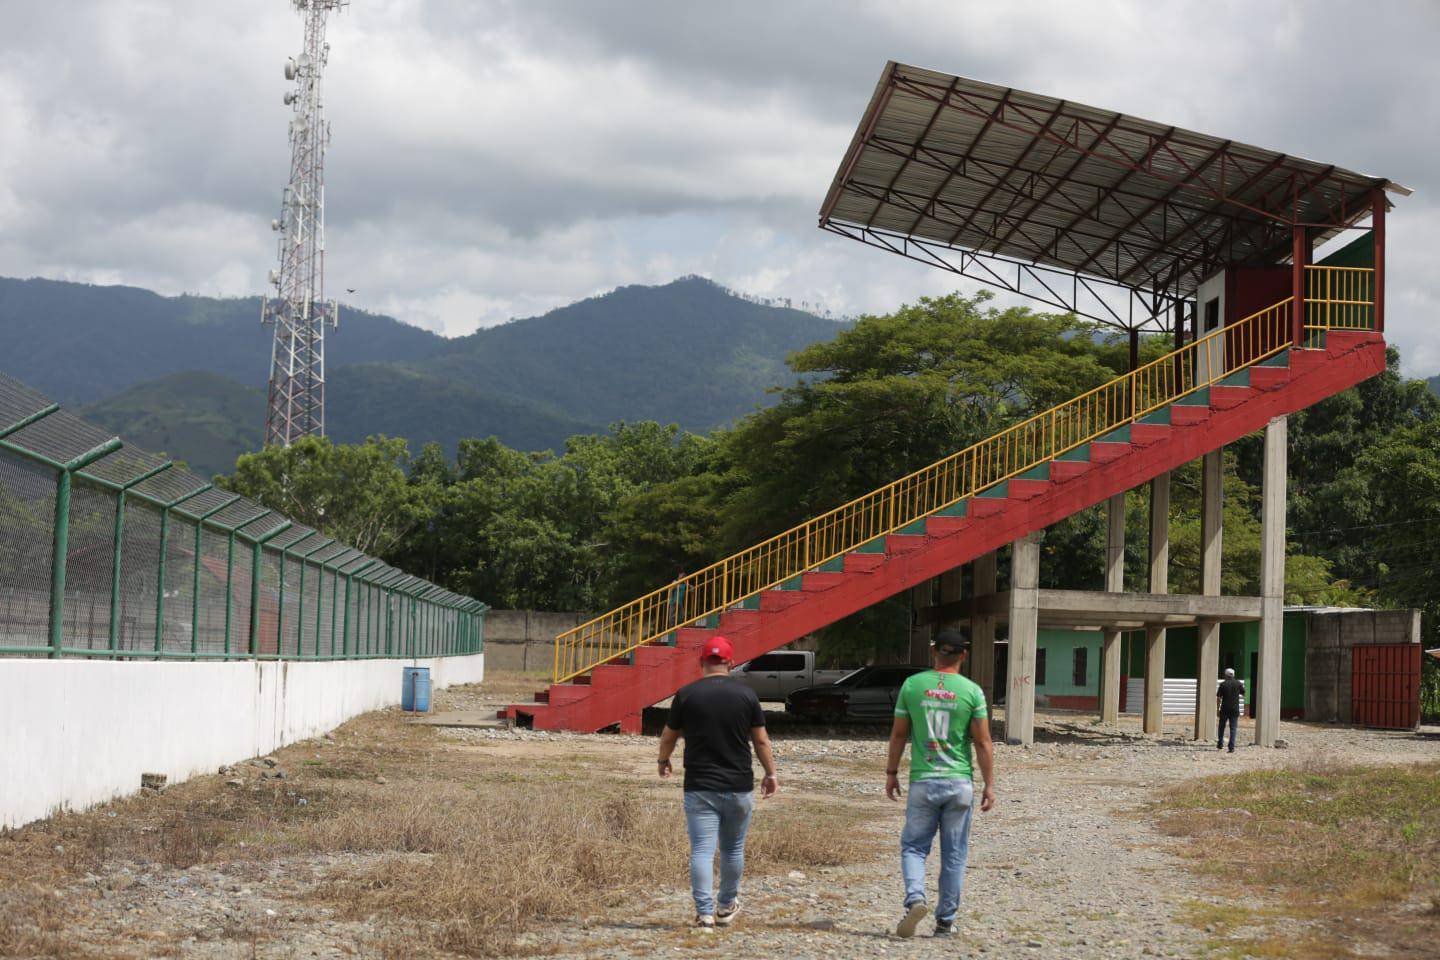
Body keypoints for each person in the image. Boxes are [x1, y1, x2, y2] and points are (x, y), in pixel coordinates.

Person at [658, 635, 778, 931]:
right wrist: (771, 773)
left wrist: (664, 760)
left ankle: (705, 914)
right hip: (738, 785)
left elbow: (669, 735)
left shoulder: (686, 695)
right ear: (730, 662)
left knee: (702, 850)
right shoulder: (747, 695)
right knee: (733, 849)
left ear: (702, 662)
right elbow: (760, 739)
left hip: (700, 785)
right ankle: (726, 906)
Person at [885, 628, 996, 939]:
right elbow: (983, 742)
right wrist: (989, 785)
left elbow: (898, 735)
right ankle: (945, 922)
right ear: (964, 654)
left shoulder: (912, 686)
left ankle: (915, 899)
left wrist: (891, 772)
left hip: (923, 780)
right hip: (959, 783)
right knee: (954, 854)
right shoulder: (972, 692)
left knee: (913, 846)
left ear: (934, 651)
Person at [1216, 667, 1244, 753]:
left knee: (1221, 727)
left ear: (1226, 675)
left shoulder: (1223, 684)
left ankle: (1220, 743)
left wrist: (1218, 709)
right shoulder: (1238, 684)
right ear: (1233, 675)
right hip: (1235, 709)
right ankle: (1231, 748)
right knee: (1233, 728)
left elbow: (1219, 698)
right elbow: (1244, 694)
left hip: (1224, 709)